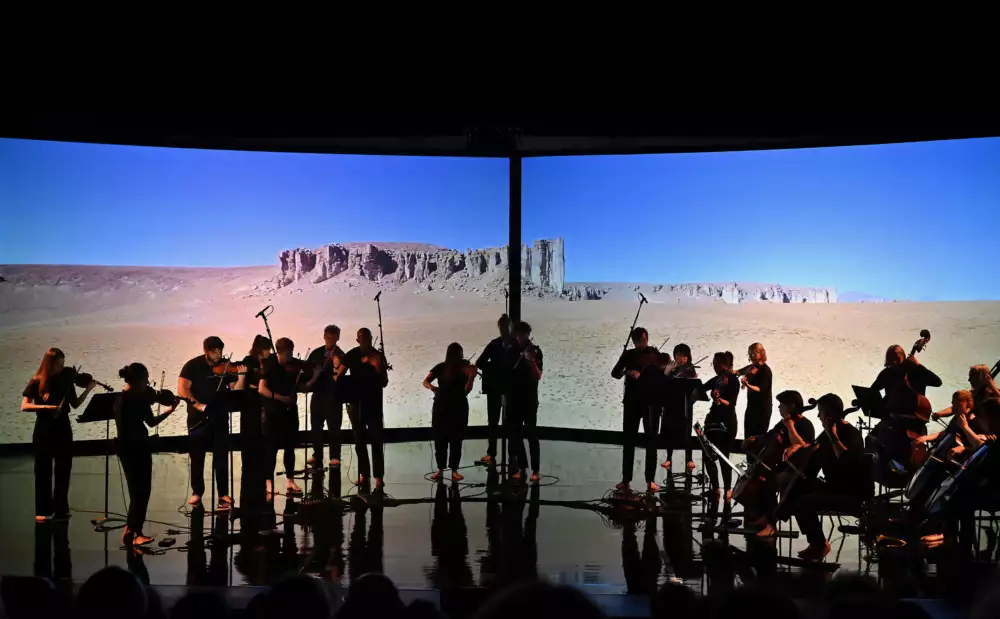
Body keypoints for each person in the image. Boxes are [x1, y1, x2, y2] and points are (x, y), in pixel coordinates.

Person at [769, 393, 873, 561]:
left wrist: (833, 436)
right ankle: (813, 539)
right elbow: (813, 451)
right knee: (798, 487)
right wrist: (798, 447)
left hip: (850, 493)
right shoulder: (826, 435)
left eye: (821, 412)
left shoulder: (851, 434)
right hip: (833, 487)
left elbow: (847, 461)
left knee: (803, 502)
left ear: (830, 414)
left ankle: (818, 544)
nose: (818, 416)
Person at [21, 348, 97, 523]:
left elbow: (76, 404)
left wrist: (88, 390)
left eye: (63, 364)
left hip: (63, 427)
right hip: (43, 429)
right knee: (43, 471)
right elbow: (24, 406)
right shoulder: (37, 382)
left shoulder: (66, 380)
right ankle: (43, 510)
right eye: (59, 365)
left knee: (64, 470)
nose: (62, 369)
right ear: (49, 365)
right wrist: (48, 408)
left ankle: (61, 508)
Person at [178, 336, 246, 510]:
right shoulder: (192, 366)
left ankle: (223, 492)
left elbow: (235, 390)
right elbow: (182, 389)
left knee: (221, 456)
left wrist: (241, 377)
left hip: (220, 416)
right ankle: (197, 492)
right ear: (206, 351)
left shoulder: (225, 367)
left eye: (220, 351)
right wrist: (198, 405)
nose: (218, 355)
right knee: (197, 457)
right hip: (197, 418)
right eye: (214, 351)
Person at [114, 363, 176, 546]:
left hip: (125, 448)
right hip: (139, 448)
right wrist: (170, 411)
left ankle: (131, 529)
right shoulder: (138, 399)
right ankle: (135, 533)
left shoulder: (120, 398)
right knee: (142, 492)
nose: (149, 382)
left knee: (136, 492)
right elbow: (151, 422)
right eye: (146, 378)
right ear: (139, 379)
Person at [743, 390, 815, 532]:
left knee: (770, 479)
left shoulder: (805, 425)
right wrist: (755, 439)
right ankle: (765, 515)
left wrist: (790, 426)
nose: (779, 407)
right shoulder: (783, 423)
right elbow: (770, 435)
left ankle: (771, 522)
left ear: (791, 406)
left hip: (797, 470)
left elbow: (802, 447)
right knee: (763, 477)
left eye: (781, 404)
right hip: (783, 466)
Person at [260, 337, 317, 497]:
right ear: (280, 352)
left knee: (290, 447)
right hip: (273, 413)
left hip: (290, 412)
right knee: (271, 449)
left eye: (292, 352)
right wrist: (280, 398)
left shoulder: (293, 368)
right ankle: (268, 482)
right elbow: (261, 389)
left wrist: (313, 378)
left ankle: (290, 480)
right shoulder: (269, 365)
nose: (291, 356)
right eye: (289, 353)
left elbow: (302, 387)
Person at [612, 327, 667, 492]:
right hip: (631, 403)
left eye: (643, 341)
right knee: (628, 441)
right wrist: (628, 371)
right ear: (633, 342)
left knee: (651, 441)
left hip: (651, 404)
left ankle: (650, 480)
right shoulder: (628, 355)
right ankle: (626, 479)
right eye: (637, 342)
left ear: (647, 339)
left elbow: (665, 373)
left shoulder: (656, 355)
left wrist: (668, 368)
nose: (641, 345)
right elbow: (615, 373)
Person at [342, 328, 390, 490]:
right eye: (362, 340)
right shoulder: (351, 355)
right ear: (357, 340)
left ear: (371, 339)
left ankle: (378, 477)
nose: (366, 343)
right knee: (359, 442)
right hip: (356, 404)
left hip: (374, 404)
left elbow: (384, 381)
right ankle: (364, 474)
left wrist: (376, 366)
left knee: (376, 440)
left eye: (368, 340)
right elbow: (340, 375)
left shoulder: (378, 356)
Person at [423, 343, 477, 481]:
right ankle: (445, 470)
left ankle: (449, 470)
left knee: (454, 438)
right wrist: (432, 387)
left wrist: (471, 377)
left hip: (455, 406)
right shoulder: (441, 367)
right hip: (444, 406)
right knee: (446, 438)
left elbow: (467, 390)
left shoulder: (462, 369)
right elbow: (426, 381)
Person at [505, 321, 544, 482]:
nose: (524, 338)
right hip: (514, 398)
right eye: (521, 335)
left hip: (529, 398)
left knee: (531, 434)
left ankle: (536, 469)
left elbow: (539, 376)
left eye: (526, 335)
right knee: (515, 434)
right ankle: (522, 467)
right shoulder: (510, 350)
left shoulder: (535, 351)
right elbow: (506, 372)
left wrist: (531, 361)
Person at [239, 335, 272, 515]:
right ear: (259, 349)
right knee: (250, 438)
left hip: (263, 404)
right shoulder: (248, 361)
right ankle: (248, 484)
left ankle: (261, 480)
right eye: (266, 349)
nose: (269, 352)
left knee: (263, 441)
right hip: (250, 405)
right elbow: (245, 385)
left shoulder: (268, 363)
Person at [700, 351, 740, 499]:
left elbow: (731, 404)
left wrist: (719, 399)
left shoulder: (733, 380)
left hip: (727, 422)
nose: (714, 367)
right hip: (714, 421)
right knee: (707, 454)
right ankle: (716, 488)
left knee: (724, 456)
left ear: (720, 365)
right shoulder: (717, 379)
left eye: (715, 364)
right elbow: (702, 388)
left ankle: (728, 490)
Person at [307, 325, 346, 470]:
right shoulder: (316, 353)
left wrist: (336, 367)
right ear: (324, 336)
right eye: (328, 337)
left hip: (333, 396)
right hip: (318, 394)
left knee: (334, 427)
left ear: (337, 338)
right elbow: (308, 371)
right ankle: (317, 454)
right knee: (316, 426)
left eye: (334, 338)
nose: (330, 340)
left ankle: (335, 456)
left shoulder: (341, 355)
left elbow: (341, 375)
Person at [475, 314, 513, 465]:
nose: (503, 329)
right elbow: (480, 362)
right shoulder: (494, 344)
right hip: (496, 388)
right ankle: (492, 453)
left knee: (510, 422)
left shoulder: (515, 344)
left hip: (510, 388)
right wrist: (492, 370)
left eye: (505, 326)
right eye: (501, 327)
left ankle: (513, 456)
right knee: (493, 422)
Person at [660, 343, 698, 472]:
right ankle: (669, 457)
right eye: (677, 356)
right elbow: (663, 385)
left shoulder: (690, 370)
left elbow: (694, 387)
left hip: (685, 405)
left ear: (688, 358)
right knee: (670, 431)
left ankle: (689, 458)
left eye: (683, 357)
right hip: (672, 404)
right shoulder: (672, 369)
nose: (680, 359)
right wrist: (668, 372)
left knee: (687, 431)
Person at [739, 342, 773, 439]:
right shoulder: (752, 367)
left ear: (762, 353)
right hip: (751, 408)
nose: (752, 356)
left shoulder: (765, 371)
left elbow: (760, 389)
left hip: (762, 410)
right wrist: (734, 372)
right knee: (748, 437)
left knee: (756, 439)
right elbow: (742, 370)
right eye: (750, 354)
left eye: (754, 353)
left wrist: (747, 384)